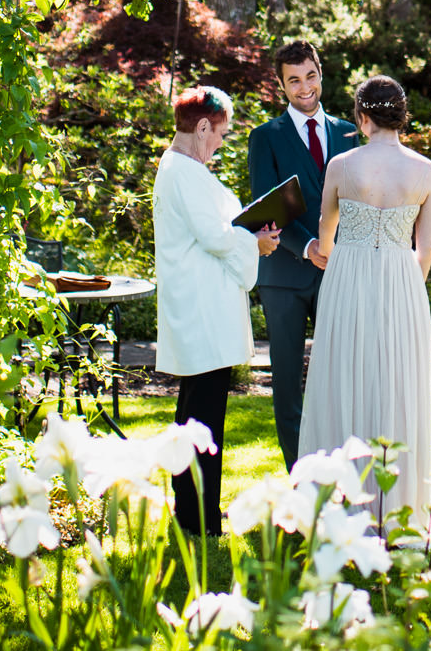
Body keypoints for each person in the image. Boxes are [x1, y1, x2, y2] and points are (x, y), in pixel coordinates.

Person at [297, 76, 431, 525]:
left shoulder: (342, 165)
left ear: (362, 118)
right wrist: (406, 290)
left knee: (342, 374)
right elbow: (428, 247)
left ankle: (337, 505)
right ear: (400, 116)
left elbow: (326, 229)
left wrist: (335, 259)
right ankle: (397, 508)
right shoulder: (424, 170)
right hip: (403, 279)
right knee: (397, 382)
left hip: (348, 277)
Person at [153, 85, 282, 535]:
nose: (221, 143)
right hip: (200, 309)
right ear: (203, 126)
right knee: (202, 417)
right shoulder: (182, 172)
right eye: (220, 134)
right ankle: (198, 517)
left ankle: (196, 510)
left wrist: (252, 229)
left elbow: (219, 225)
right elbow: (215, 236)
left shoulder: (186, 169)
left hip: (204, 306)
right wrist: (256, 242)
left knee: (198, 412)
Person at [245, 41, 359, 470]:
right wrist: (308, 246)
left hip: (340, 271)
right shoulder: (266, 138)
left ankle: (344, 473)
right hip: (285, 276)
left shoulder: (350, 132)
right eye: (294, 80)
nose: (304, 87)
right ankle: (302, 480)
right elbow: (267, 205)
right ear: (281, 86)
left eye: (310, 76)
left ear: (320, 74)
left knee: (341, 377)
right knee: (288, 383)